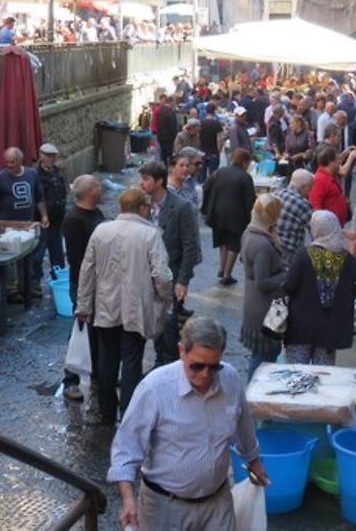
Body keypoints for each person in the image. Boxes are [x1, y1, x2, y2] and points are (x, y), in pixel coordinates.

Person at [108, 318, 269, 531]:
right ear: (181, 351)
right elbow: (126, 450)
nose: (205, 375)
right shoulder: (155, 388)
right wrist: (128, 500)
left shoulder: (229, 379)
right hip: (164, 508)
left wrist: (254, 462)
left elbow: (244, 426)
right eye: (197, 366)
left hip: (217, 503)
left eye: (213, 367)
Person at [76, 188, 173, 425]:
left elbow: (86, 270)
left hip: (106, 305)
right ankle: (129, 413)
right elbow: (161, 275)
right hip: (136, 307)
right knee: (132, 360)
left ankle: (106, 412)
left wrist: (84, 305)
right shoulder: (150, 234)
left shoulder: (101, 231)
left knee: (107, 359)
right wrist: (163, 299)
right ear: (142, 208)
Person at [282, 211, 356, 365]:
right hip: (329, 329)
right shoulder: (344, 258)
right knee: (323, 375)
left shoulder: (303, 255)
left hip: (301, 326)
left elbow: (289, 286)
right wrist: (349, 294)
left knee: (296, 372)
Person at [139, 161, 200, 367]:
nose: (142, 183)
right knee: (156, 319)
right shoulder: (144, 207)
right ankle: (160, 359)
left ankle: (171, 361)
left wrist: (183, 280)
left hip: (172, 274)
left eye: (146, 179)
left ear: (159, 182)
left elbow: (190, 246)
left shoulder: (181, 207)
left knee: (169, 322)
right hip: (150, 274)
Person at [61, 175, 106, 401]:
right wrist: (84, 292)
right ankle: (70, 380)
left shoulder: (95, 213)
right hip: (83, 284)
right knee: (80, 330)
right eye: (98, 186)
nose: (102, 189)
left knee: (97, 329)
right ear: (90, 192)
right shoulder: (74, 220)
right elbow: (79, 259)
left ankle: (98, 375)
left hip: (99, 283)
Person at [0, 147, 50, 303]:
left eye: (12, 162)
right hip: (6, 224)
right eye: (6, 162)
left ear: (20, 161)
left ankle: (25, 286)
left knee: (26, 256)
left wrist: (44, 215)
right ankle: (11, 289)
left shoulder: (31, 174)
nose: (9, 165)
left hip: (26, 223)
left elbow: (39, 197)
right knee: (9, 258)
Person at [240, 195, 287, 378]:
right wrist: (285, 275)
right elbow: (262, 282)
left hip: (260, 306)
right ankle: (253, 394)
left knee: (264, 355)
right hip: (265, 310)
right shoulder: (262, 244)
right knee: (264, 357)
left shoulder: (252, 231)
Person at [202, 148, 256, 286]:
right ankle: (227, 274)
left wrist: (208, 206)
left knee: (223, 242)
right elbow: (250, 201)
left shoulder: (220, 171)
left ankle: (221, 268)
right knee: (234, 245)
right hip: (236, 217)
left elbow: (206, 186)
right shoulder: (245, 177)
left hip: (217, 213)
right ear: (244, 162)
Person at [32, 143, 68, 293]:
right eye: (48, 156)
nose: (51, 159)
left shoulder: (58, 172)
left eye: (53, 156)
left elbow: (64, 189)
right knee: (38, 253)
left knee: (57, 252)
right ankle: (35, 283)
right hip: (41, 220)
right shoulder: (35, 175)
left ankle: (58, 279)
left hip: (58, 219)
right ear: (41, 156)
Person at [274, 169, 314, 263]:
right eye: (310, 188)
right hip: (290, 250)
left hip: (272, 245)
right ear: (304, 187)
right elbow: (314, 230)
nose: (311, 191)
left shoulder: (276, 195)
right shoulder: (303, 204)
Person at [309, 146, 350, 227]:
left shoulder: (332, 175)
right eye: (338, 160)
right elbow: (315, 207)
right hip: (328, 229)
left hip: (336, 226)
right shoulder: (319, 180)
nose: (340, 163)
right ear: (331, 162)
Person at [199, 103, 224, 181]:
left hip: (202, 152)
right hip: (213, 151)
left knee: (201, 177)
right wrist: (219, 151)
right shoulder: (217, 124)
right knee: (213, 177)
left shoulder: (201, 124)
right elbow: (219, 139)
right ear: (214, 111)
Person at [156, 95, 179, 166]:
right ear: (171, 102)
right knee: (170, 156)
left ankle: (164, 170)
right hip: (169, 139)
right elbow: (173, 128)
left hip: (161, 137)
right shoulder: (171, 113)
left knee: (163, 156)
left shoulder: (160, 111)